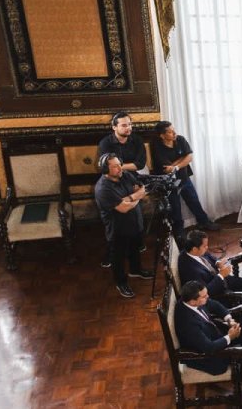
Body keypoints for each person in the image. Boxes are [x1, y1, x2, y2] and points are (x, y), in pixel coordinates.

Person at [94, 154, 153, 298]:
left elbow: (142, 189)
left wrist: (130, 198)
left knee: (135, 249)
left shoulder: (125, 175)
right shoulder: (103, 189)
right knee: (118, 258)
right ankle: (121, 283)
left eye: (119, 164)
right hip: (118, 230)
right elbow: (123, 208)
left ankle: (136, 270)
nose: (119, 168)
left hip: (135, 222)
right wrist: (135, 197)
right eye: (114, 166)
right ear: (104, 169)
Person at [151, 121, 219, 244]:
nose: (174, 133)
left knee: (193, 200)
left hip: (183, 176)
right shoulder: (156, 145)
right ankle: (179, 230)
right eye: (171, 132)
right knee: (175, 207)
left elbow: (189, 157)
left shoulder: (180, 139)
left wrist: (176, 166)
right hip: (168, 181)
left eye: (174, 130)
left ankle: (204, 222)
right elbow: (166, 167)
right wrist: (182, 159)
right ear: (162, 135)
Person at [97, 112, 148, 268]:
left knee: (135, 215)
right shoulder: (106, 143)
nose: (129, 128)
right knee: (116, 219)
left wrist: (118, 167)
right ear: (114, 127)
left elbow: (140, 164)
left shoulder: (137, 140)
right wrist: (119, 168)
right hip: (112, 181)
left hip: (130, 178)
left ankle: (137, 245)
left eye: (130, 124)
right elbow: (106, 167)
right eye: (124, 125)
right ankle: (112, 254)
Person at [174, 280, 242, 376]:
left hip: (213, 334)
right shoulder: (188, 323)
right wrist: (229, 337)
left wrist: (229, 320)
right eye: (204, 296)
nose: (207, 297)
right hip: (208, 356)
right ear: (192, 301)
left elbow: (214, 305)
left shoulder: (191, 301)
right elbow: (209, 348)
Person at [179, 229, 242, 298]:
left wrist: (217, 262)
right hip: (218, 292)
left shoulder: (192, 251)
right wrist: (221, 275)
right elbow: (206, 292)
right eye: (204, 246)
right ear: (195, 249)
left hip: (223, 280)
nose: (207, 248)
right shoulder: (191, 271)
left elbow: (209, 256)